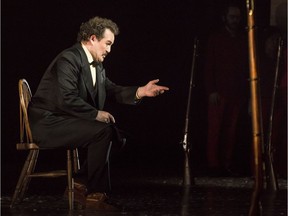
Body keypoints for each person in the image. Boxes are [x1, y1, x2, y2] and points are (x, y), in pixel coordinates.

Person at [28, 16, 169, 210]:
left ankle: (80, 185)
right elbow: (66, 98)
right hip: (48, 122)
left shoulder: (97, 66)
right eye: (107, 44)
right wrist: (95, 114)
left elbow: (111, 89)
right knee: (104, 131)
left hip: (65, 120)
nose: (109, 50)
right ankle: (95, 194)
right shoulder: (69, 58)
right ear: (93, 38)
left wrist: (140, 91)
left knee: (117, 137)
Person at [203, 3, 249, 176]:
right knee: (215, 130)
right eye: (232, 17)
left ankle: (226, 164)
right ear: (225, 18)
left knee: (231, 131)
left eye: (237, 17)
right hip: (219, 93)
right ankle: (213, 165)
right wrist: (211, 90)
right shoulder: (216, 38)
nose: (235, 20)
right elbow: (209, 66)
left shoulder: (242, 39)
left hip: (236, 92)